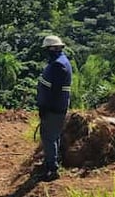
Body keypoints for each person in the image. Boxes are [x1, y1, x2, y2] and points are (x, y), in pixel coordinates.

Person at [36, 35, 72, 182]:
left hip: (54, 108)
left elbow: (55, 92)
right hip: (56, 107)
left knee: (49, 137)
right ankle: (51, 163)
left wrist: (46, 107)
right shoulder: (59, 62)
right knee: (53, 136)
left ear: (52, 49)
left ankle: (52, 169)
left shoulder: (58, 65)